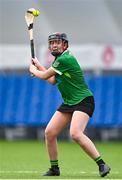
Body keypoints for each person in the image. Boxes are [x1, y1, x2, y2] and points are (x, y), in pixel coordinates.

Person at [29, 32, 111, 177]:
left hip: (83, 100)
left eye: (58, 42)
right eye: (52, 43)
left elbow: (44, 76)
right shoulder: (59, 61)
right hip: (69, 102)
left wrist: (34, 70)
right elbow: (53, 81)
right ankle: (54, 168)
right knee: (50, 132)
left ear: (65, 45)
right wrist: (40, 66)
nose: (54, 45)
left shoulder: (65, 59)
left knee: (75, 133)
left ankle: (102, 164)